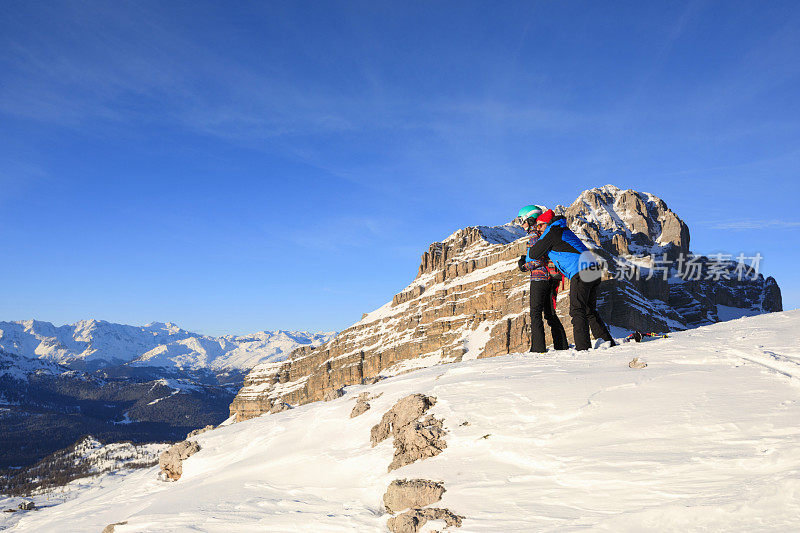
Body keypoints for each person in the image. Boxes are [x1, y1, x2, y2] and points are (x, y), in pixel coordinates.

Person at [527, 209, 616, 351]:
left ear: (546, 224)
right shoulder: (561, 229)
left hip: (581, 271)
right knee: (589, 310)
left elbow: (533, 253)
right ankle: (608, 342)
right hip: (593, 269)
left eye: (539, 226)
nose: (538, 229)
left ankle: (583, 348)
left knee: (577, 310)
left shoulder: (552, 232)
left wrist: (530, 245)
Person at [516, 205, 569, 353]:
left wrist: (523, 266)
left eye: (523, 220)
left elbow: (537, 260)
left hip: (539, 278)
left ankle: (538, 348)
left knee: (535, 313)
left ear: (530, 219)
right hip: (551, 279)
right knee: (550, 314)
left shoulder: (534, 234)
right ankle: (561, 346)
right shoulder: (545, 232)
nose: (522, 224)